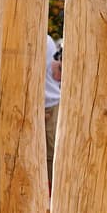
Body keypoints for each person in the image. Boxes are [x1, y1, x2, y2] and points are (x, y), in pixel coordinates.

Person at [44, 35, 61, 185]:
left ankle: (56, 188)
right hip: (45, 101)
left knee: (51, 153)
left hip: (49, 101)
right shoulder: (47, 39)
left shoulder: (45, 40)